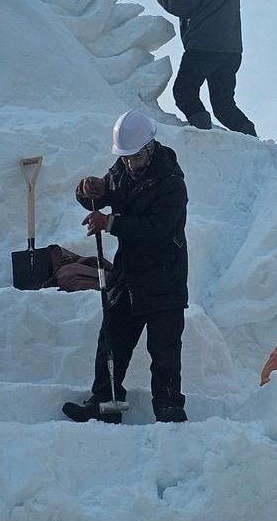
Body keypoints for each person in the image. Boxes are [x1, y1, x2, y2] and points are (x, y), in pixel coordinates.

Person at [62, 109, 190, 424]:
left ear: (150, 148)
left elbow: (156, 229)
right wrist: (90, 190)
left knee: (164, 351)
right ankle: (105, 400)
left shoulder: (172, 183)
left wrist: (111, 223)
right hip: (129, 274)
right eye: (125, 157)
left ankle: (169, 408)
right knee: (112, 338)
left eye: (134, 157)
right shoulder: (122, 170)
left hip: (165, 277)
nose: (129, 162)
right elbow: (105, 190)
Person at [143, 0, 257, 137]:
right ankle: (253, 139)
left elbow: (179, 4)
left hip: (204, 46)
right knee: (224, 106)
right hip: (231, 49)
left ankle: (203, 137)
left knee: (184, 93)